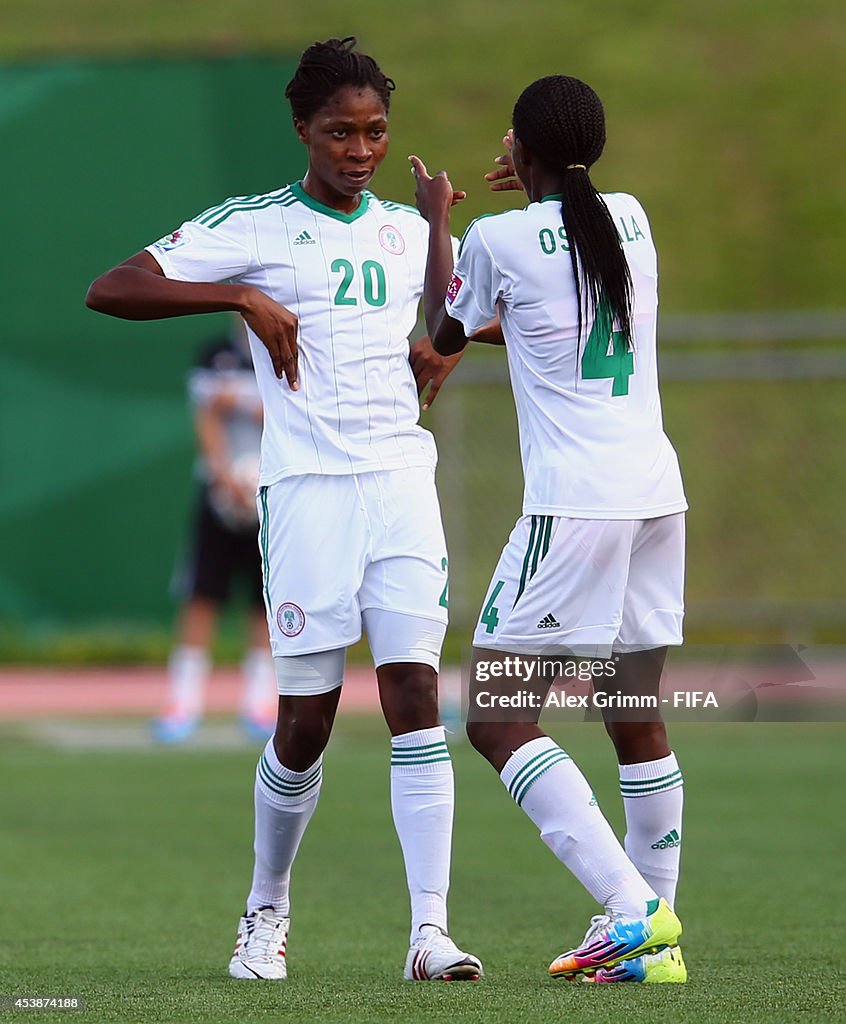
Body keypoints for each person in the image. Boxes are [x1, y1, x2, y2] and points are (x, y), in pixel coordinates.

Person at [85, 37, 481, 983]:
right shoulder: (255, 226)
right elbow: (114, 287)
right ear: (302, 129)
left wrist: (448, 345)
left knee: (415, 695)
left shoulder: (398, 229)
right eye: (340, 132)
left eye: (375, 131)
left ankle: (429, 932)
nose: (359, 148)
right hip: (306, 496)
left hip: (398, 484)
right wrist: (239, 295)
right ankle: (265, 910)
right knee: (303, 719)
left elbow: (469, 305)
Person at [412, 74, 688, 983]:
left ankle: (632, 911)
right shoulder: (632, 219)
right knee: (633, 714)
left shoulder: (493, 236)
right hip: (654, 493)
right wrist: (541, 184)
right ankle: (654, 949)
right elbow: (552, 321)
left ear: (519, 152)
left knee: (493, 715)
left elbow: (440, 329)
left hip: (576, 503)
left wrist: (439, 218)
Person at [154, 316, 276, 744]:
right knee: (201, 595)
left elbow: (293, 413)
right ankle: (182, 703)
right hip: (220, 495)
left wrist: (242, 404)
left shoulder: (287, 349)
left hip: (273, 494)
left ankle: (260, 704)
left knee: (266, 601)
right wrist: (224, 476)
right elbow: (205, 415)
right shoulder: (215, 354)